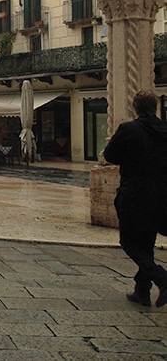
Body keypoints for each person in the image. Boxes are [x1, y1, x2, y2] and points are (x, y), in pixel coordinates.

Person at [103, 90, 167, 308]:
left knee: (129, 242)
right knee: (146, 243)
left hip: (135, 195)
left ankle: (161, 278)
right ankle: (142, 292)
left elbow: (110, 155)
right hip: (161, 196)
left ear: (135, 108)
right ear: (155, 107)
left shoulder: (129, 130)